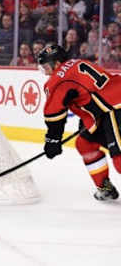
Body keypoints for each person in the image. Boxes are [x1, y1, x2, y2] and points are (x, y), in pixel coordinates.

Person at [38, 45, 120, 201]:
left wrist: (53, 140)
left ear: (57, 63)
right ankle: (104, 187)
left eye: (47, 66)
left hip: (115, 108)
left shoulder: (58, 79)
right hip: (107, 110)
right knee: (85, 143)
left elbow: (54, 113)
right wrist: (87, 117)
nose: (45, 71)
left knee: (120, 162)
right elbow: (91, 92)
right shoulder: (76, 64)